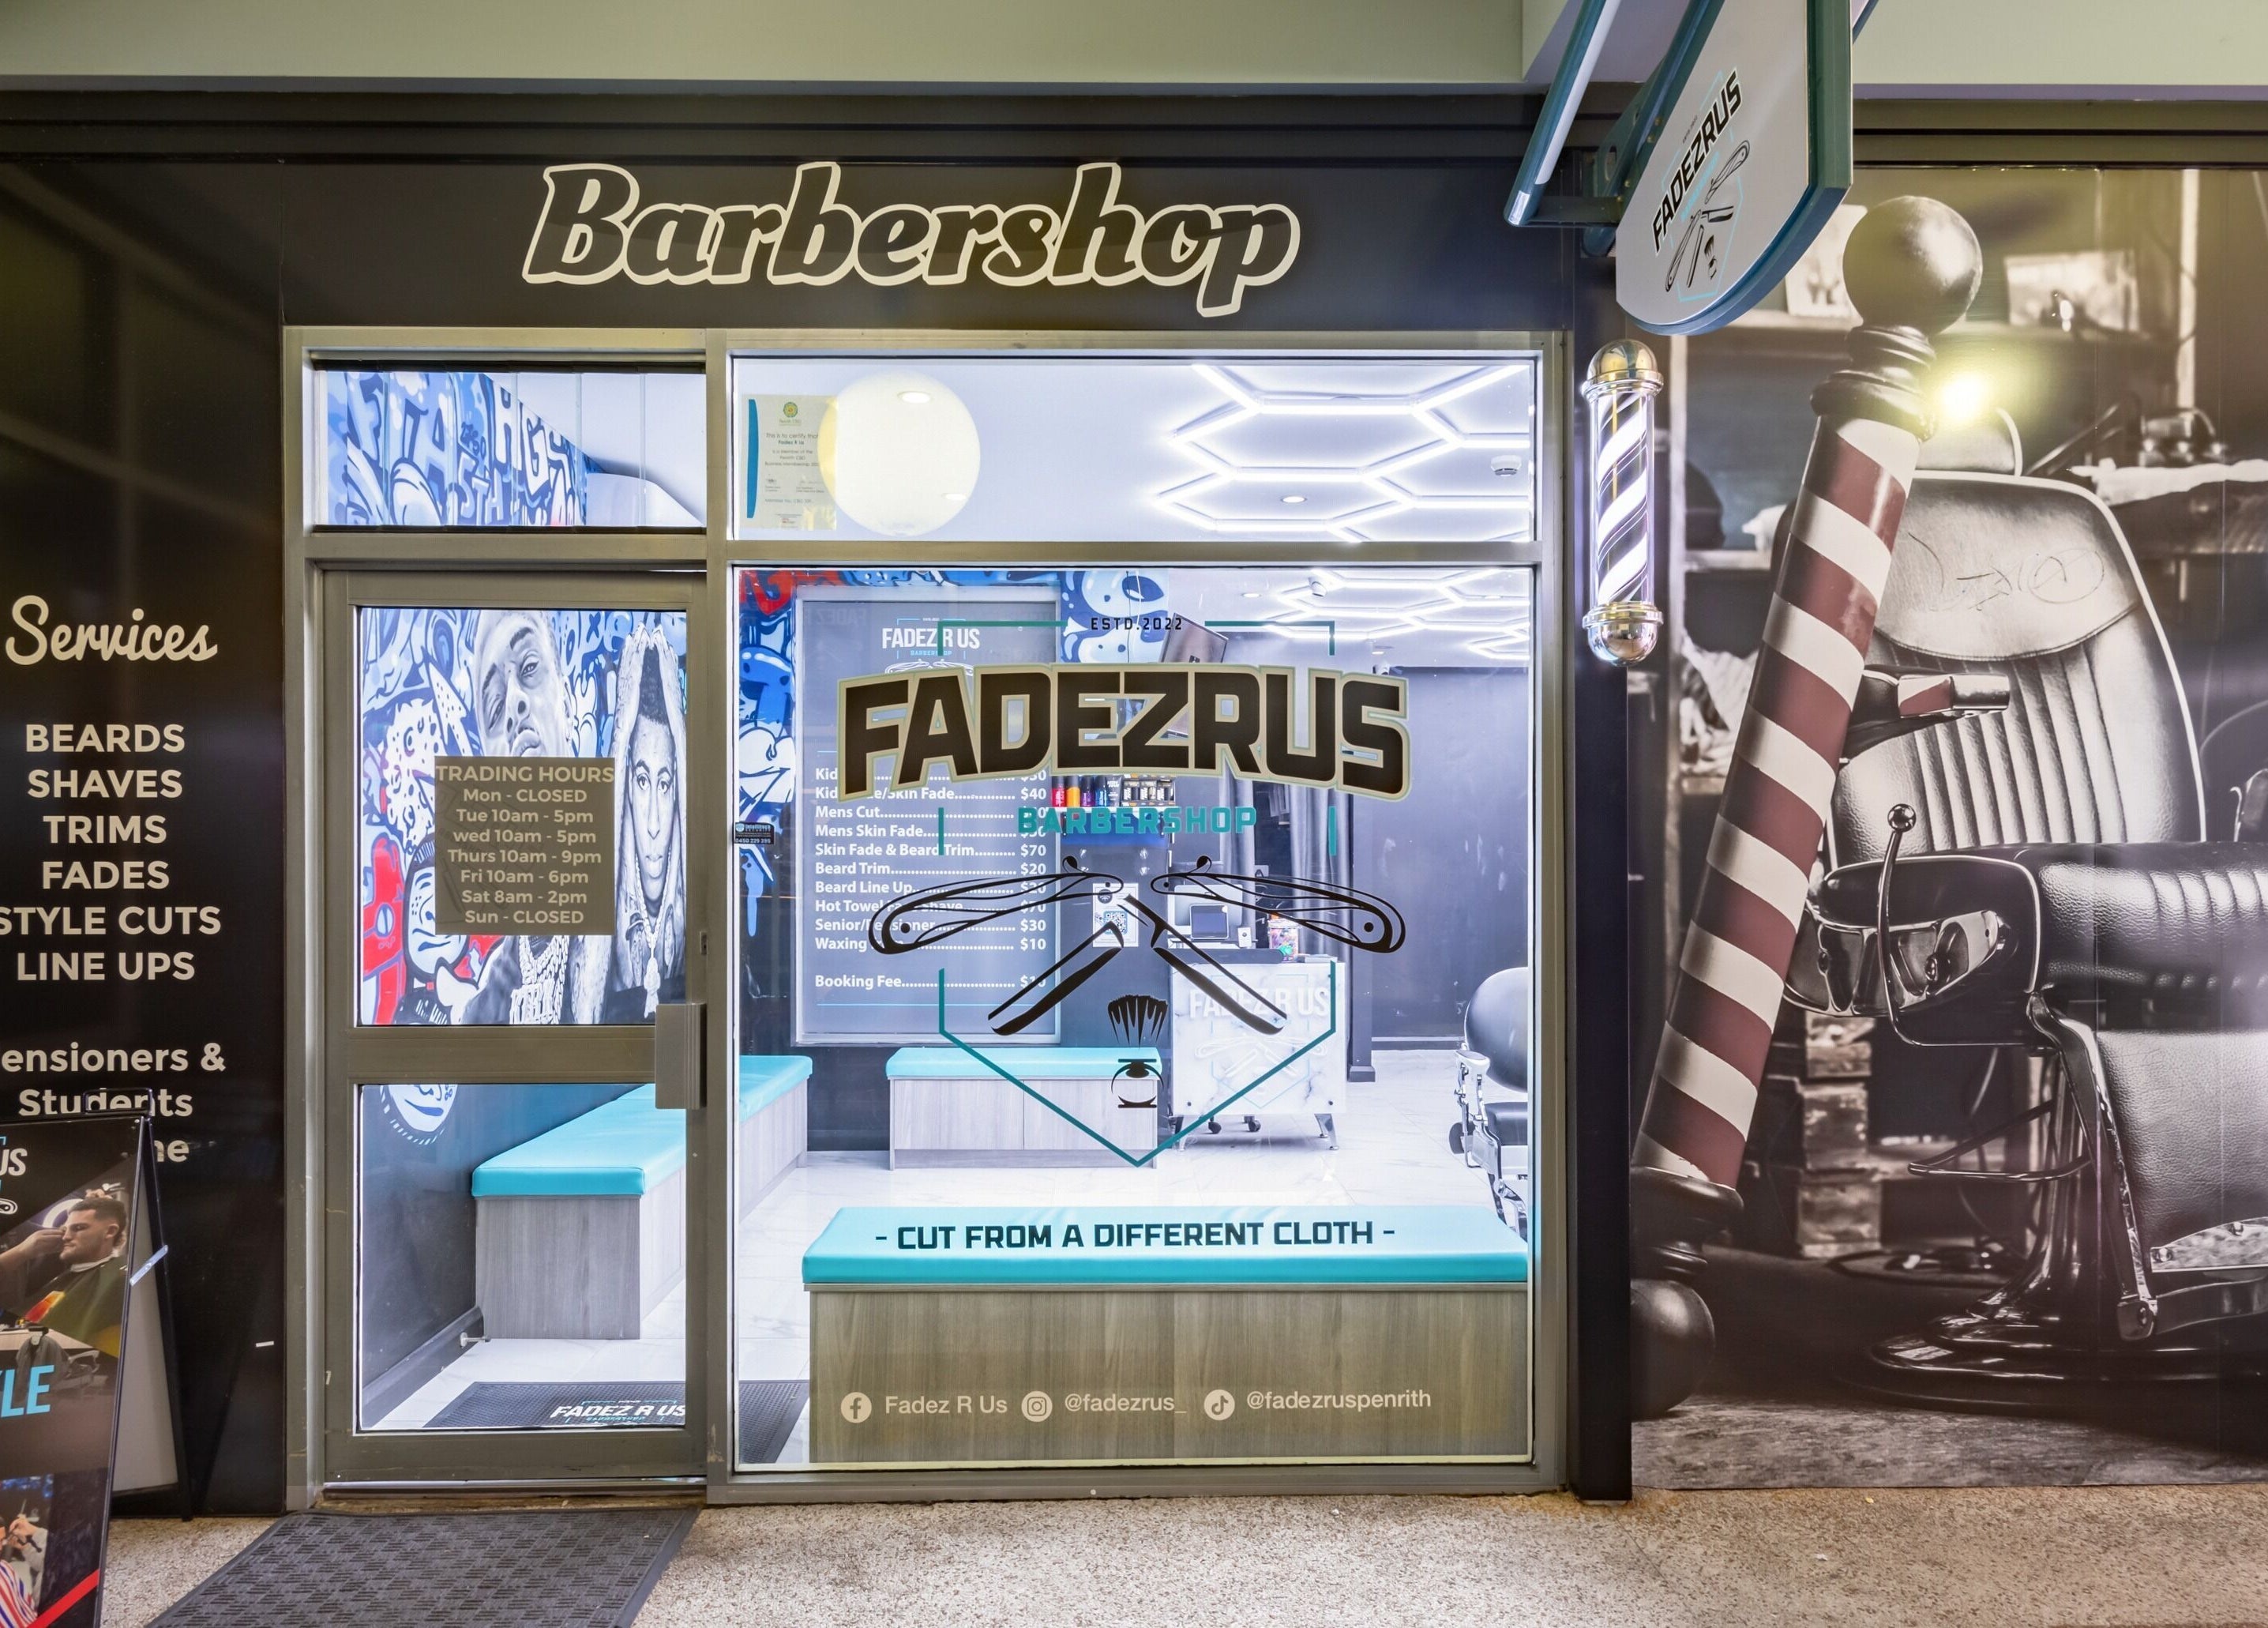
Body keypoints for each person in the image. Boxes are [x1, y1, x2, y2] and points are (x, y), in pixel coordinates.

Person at [454, 609, 607, 1025]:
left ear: (569, 701)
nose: (515, 705)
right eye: (494, 703)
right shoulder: (483, 1017)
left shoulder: (628, 952)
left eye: (530, 668)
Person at [606, 629, 687, 1020]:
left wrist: (682, 738)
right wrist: (621, 734)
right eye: (641, 782)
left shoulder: (691, 896)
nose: (654, 821)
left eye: (666, 784)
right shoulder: (612, 901)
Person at [16, 1195, 127, 1359]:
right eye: (65, 1229)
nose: (66, 1237)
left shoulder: (119, 1278)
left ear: (110, 1231)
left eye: (79, 1228)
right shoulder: (60, 1277)